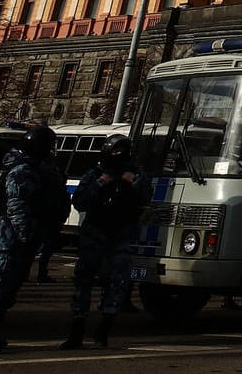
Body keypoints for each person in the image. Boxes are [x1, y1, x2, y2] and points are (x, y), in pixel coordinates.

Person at [0, 125, 66, 355]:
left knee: (8, 288)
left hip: (20, 237)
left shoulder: (36, 168)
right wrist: (26, 235)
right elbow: (17, 206)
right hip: (8, 238)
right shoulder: (21, 170)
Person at [61, 134, 147, 349]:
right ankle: (76, 333)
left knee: (117, 284)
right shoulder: (95, 174)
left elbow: (145, 198)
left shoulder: (136, 175)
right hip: (95, 235)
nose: (119, 155)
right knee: (83, 284)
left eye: (123, 151)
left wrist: (133, 183)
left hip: (120, 236)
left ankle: (102, 333)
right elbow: (79, 202)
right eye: (115, 151)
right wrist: (101, 183)